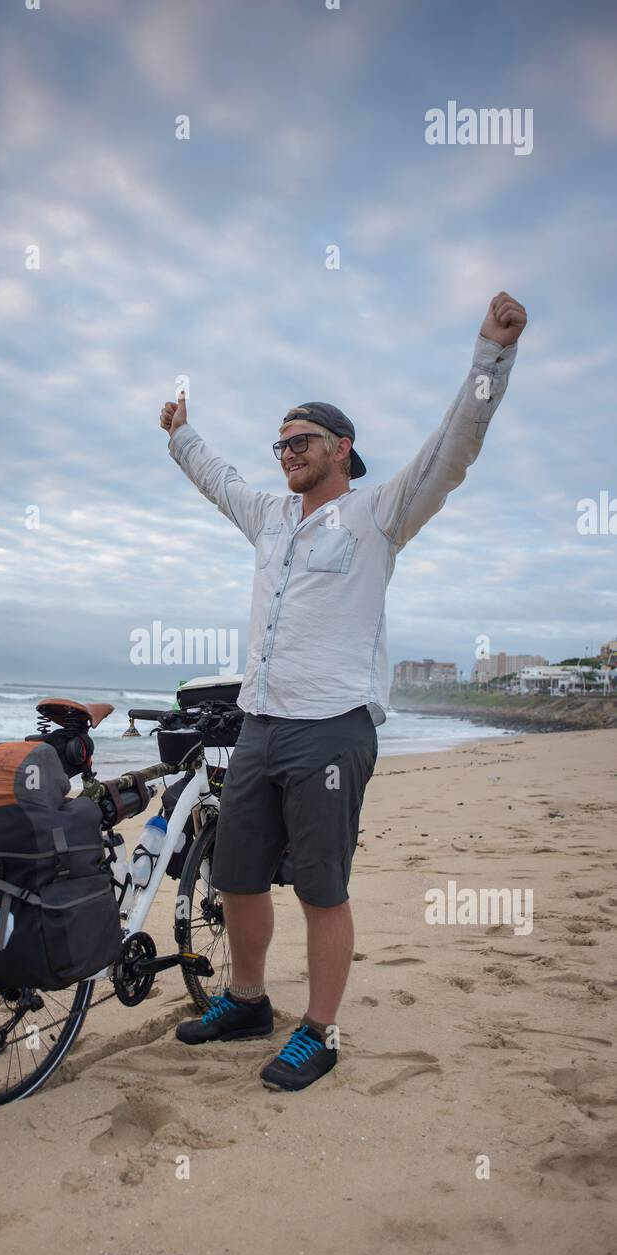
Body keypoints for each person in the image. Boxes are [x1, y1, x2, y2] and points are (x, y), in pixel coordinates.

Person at [159, 291, 527, 1092]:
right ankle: (248, 1001)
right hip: (257, 722)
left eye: (301, 440)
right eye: (280, 441)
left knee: (321, 886)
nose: (285, 451)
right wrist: (179, 433)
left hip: (331, 728)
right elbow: (215, 477)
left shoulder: (375, 516)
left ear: (341, 449)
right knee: (236, 876)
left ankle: (319, 1032)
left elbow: (451, 451)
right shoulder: (266, 516)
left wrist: (489, 356)